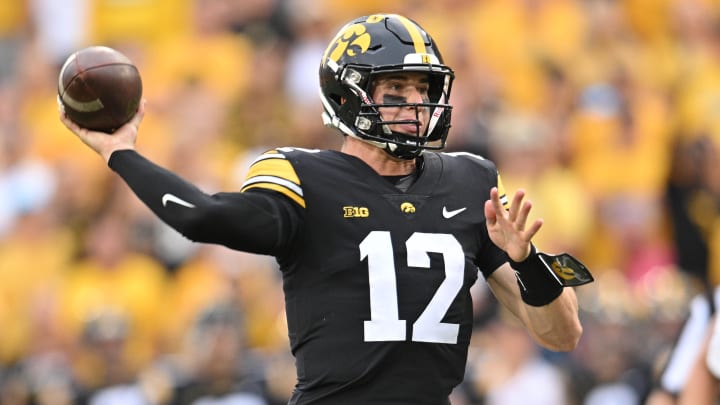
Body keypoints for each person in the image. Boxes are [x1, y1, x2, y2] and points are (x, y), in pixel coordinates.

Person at [60, 13, 590, 405]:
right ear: (350, 97)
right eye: (396, 89)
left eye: (422, 89)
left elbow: (560, 334)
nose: (415, 104)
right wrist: (121, 152)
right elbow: (201, 216)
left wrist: (525, 263)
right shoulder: (304, 177)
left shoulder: (470, 180)